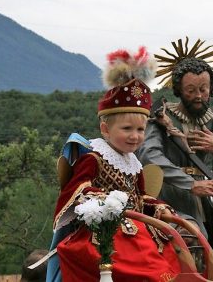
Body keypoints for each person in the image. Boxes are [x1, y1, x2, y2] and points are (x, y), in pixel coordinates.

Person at [52, 47, 180, 281]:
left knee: (170, 245)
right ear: (105, 130)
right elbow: (76, 190)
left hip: (137, 227)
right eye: (127, 129)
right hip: (104, 229)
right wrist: (106, 201)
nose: (135, 136)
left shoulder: (134, 164)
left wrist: (159, 207)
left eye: (140, 129)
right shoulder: (93, 158)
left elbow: (141, 196)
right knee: (131, 255)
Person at [136, 55, 213, 252]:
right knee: (189, 239)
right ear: (179, 90)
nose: (198, 96)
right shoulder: (162, 118)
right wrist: (191, 183)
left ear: (211, 89)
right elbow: (149, 156)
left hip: (201, 200)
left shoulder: (212, 124)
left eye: (203, 89)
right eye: (191, 90)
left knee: (207, 249)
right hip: (168, 194)